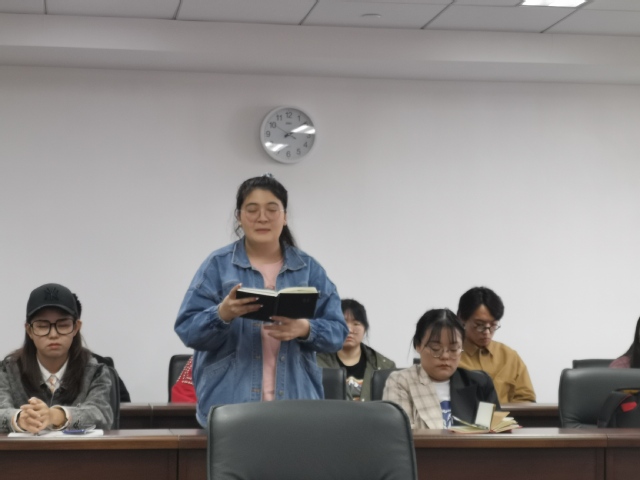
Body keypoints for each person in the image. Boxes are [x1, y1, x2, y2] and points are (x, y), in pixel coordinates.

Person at [174, 174, 348, 427]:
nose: (262, 218)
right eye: (252, 209)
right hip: (230, 407)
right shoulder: (218, 266)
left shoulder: (309, 269)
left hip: (296, 407)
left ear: (285, 216)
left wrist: (305, 329)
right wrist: (222, 314)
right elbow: (188, 330)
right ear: (239, 216)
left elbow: (338, 333)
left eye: (272, 209)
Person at [0, 283, 113, 433]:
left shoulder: (95, 372)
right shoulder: (7, 371)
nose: (53, 334)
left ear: (76, 327)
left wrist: (56, 416)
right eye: (42, 326)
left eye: (63, 325)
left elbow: (102, 416)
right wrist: (19, 419)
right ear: (29, 330)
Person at [383, 308, 499, 429]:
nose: (445, 356)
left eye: (453, 349)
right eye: (435, 349)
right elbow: (399, 432)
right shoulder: (400, 382)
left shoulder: (481, 384)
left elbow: (495, 432)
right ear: (418, 345)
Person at [456, 286, 535, 404]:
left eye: (493, 325)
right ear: (462, 318)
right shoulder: (449, 356)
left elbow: (526, 399)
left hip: (506, 416)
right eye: (479, 325)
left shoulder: (509, 356)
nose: (487, 332)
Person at [317, 299, 395, 401]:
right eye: (343, 323)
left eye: (356, 324)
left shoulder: (384, 366)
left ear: (365, 329)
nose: (349, 330)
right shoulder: (316, 364)